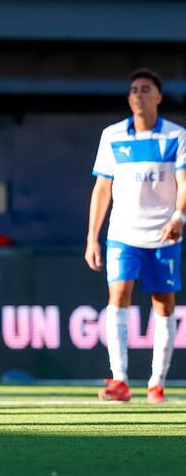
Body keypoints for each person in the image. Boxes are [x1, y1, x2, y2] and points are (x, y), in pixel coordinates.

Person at [85, 69, 185, 404]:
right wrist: (92, 238)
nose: (138, 95)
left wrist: (179, 216)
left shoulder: (176, 136)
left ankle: (157, 383)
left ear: (158, 96)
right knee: (118, 298)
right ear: (129, 98)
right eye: (133, 90)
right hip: (123, 233)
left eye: (146, 89)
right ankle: (121, 380)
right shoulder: (112, 136)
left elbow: (184, 183)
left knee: (164, 304)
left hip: (164, 232)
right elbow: (102, 189)